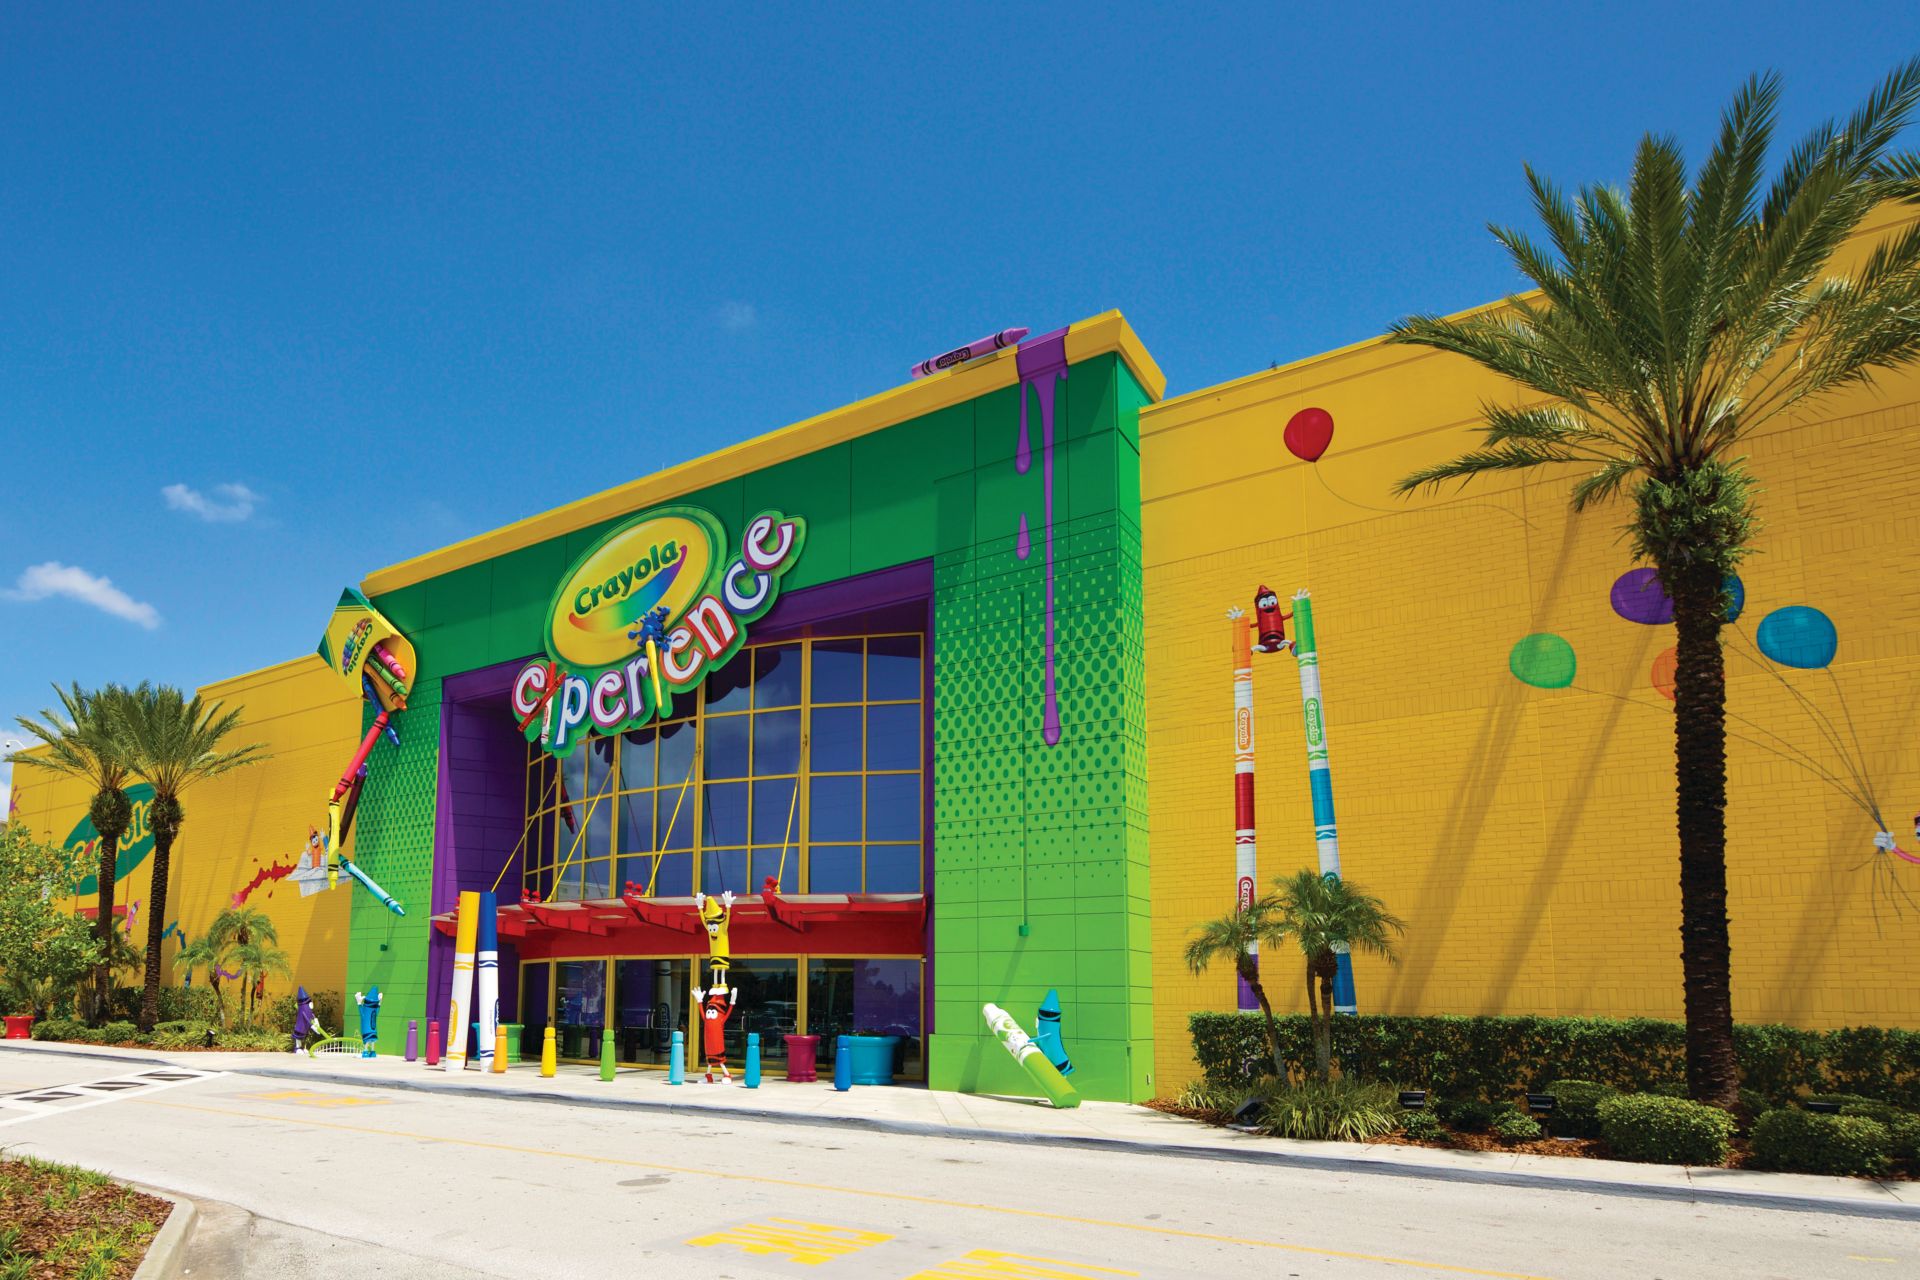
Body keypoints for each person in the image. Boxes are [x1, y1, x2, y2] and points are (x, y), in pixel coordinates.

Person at [692, 983, 736, 1083]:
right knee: (710, 1061)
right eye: (709, 1011)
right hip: (709, 1043)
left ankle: (727, 1074)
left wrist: (732, 1001)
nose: (710, 1013)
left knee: (719, 1060)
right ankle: (708, 1077)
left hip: (717, 1043)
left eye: (713, 1011)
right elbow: (703, 1013)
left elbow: (728, 1011)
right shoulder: (707, 1019)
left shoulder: (721, 1020)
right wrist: (699, 1001)